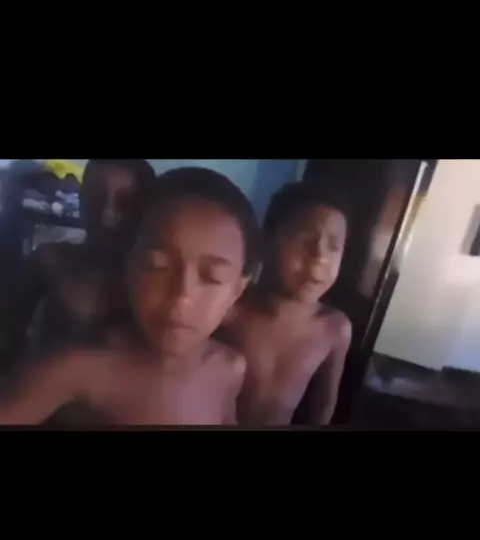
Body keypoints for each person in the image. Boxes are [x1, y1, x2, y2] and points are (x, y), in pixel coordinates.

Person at [0, 167, 259, 426]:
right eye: (158, 266)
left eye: (212, 277)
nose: (182, 297)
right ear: (129, 266)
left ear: (237, 291)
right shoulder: (76, 369)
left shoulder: (230, 370)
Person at [0, 158, 155, 372]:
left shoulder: (152, 283)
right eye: (96, 198)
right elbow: (7, 334)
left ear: (146, 210)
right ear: (81, 199)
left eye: (125, 203)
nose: (107, 214)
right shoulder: (51, 259)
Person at [218, 182, 352, 426]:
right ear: (266, 242)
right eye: (305, 240)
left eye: (334, 247)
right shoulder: (230, 307)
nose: (320, 257)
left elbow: (323, 408)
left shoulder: (335, 329)